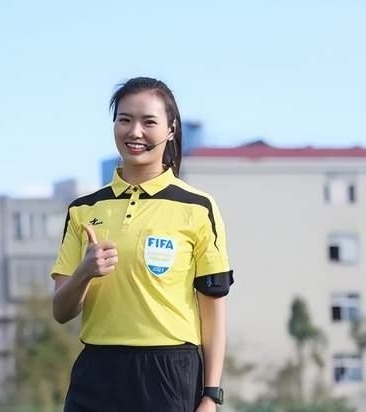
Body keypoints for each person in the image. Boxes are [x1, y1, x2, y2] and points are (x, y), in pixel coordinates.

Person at [51, 76, 234, 412]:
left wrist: (211, 394)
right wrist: (84, 272)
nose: (135, 132)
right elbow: (61, 312)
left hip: (168, 372)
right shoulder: (83, 209)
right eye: (125, 120)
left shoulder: (198, 207)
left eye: (149, 122)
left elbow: (213, 311)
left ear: (171, 129)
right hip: (97, 371)